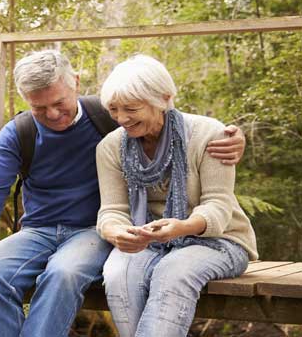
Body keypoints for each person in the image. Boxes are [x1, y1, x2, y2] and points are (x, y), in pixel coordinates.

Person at [0, 49, 247, 337]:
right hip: (38, 230)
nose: (53, 114)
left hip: (91, 232)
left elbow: (172, 122)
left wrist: (234, 138)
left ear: (76, 83)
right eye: (39, 108)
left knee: (63, 274)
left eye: (59, 102)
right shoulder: (20, 132)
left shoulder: (109, 116)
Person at [95, 54, 258, 337]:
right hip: (147, 241)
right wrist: (116, 231)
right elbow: (112, 210)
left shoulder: (210, 134)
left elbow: (218, 205)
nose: (121, 119)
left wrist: (183, 228)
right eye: (113, 109)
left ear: (164, 98)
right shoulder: (110, 147)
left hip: (217, 240)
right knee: (118, 272)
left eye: (131, 108)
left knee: (173, 271)